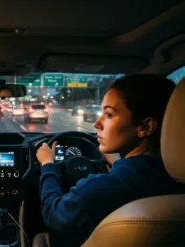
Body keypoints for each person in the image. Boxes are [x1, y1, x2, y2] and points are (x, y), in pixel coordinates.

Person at [35, 74, 184, 247]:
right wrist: (117, 162)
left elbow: (54, 215)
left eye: (109, 114)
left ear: (145, 127)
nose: (97, 123)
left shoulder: (100, 189)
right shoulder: (173, 180)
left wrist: (47, 165)